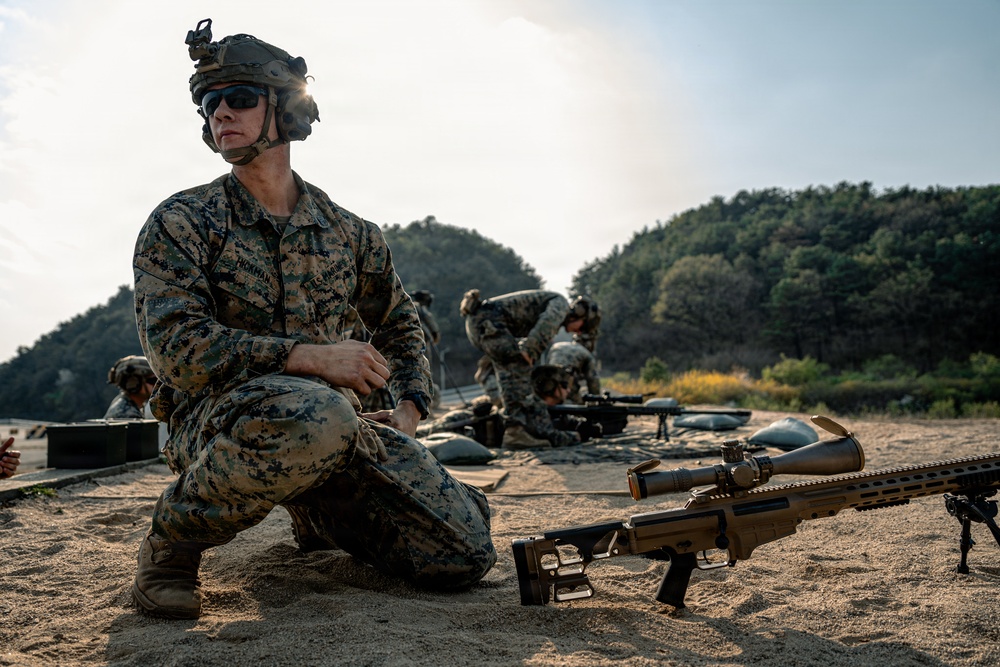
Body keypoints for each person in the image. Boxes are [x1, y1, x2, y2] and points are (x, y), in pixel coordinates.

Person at [129, 19, 495, 619]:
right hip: (218, 424)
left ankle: (315, 510)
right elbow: (175, 348)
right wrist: (307, 357)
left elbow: (398, 320)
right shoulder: (182, 222)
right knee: (318, 414)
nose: (222, 113)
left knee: (463, 552)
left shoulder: (350, 233)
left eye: (240, 98)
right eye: (211, 104)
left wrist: (410, 406)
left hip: (333, 427)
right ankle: (171, 546)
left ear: (287, 111)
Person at [459, 289, 600, 449]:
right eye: (582, 327)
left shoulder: (558, 309)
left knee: (511, 377)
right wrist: (530, 349)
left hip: (483, 324)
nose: (579, 332)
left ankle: (517, 430)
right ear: (578, 316)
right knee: (518, 372)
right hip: (488, 323)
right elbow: (547, 323)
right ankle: (516, 432)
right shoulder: (561, 305)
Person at [530, 365, 601, 442]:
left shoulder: (556, 411)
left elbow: (568, 422)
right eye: (564, 385)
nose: (568, 390)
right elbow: (548, 434)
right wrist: (576, 436)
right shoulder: (533, 408)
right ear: (550, 386)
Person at [545, 340, 601, 404]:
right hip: (566, 381)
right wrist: (596, 401)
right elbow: (593, 381)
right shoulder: (586, 353)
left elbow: (547, 366)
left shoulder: (556, 346)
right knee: (578, 404)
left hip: (549, 380)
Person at [103, 355, 156, 419]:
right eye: (153, 381)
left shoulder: (129, 404)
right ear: (134, 383)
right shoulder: (126, 414)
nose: (156, 385)